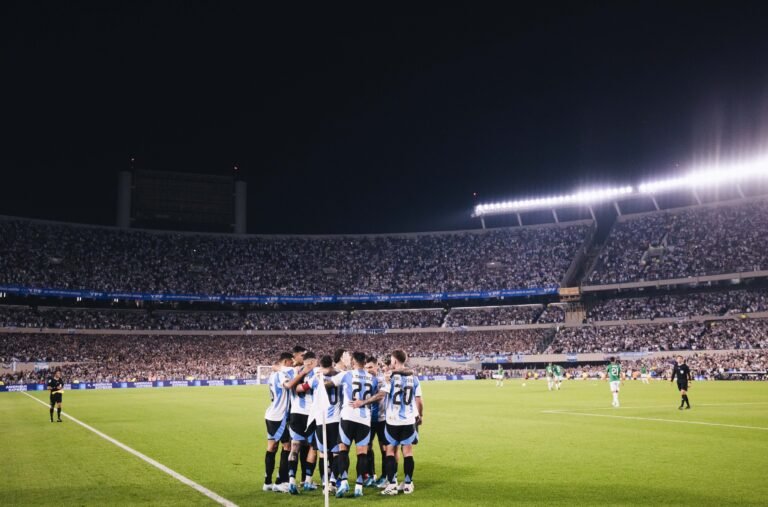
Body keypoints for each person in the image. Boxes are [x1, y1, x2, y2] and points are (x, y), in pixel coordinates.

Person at [329, 351, 379, 498]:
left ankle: (343, 481)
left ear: (353, 362)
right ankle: (358, 486)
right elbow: (376, 395)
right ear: (364, 362)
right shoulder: (373, 378)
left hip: (348, 416)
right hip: (364, 419)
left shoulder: (346, 375)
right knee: (362, 453)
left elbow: (329, 383)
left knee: (343, 450)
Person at [283, 350, 319, 494]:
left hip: (296, 413)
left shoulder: (293, 372)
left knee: (295, 447)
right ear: (313, 361)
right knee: (312, 448)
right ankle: (308, 481)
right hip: (311, 414)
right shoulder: (317, 372)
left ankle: (292, 481)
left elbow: (291, 385)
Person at [310, 355, 341, 494]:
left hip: (320, 420)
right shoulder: (339, 376)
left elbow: (302, 387)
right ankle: (333, 482)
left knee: (323, 453)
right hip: (335, 420)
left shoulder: (316, 377)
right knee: (336, 453)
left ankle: (324, 484)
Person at [263, 353, 294, 493]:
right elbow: (288, 385)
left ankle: (267, 482)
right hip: (278, 417)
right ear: (286, 362)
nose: (292, 365)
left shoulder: (273, 375)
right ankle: (281, 482)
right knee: (287, 446)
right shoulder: (281, 374)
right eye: (291, 363)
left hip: (271, 415)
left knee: (272, 447)